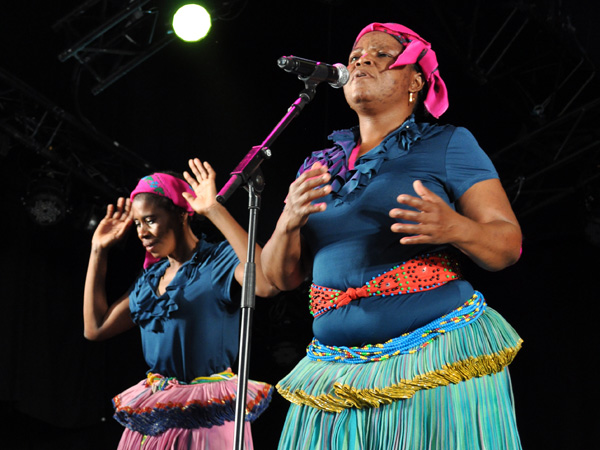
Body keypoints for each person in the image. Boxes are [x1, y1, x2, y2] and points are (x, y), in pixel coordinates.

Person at [261, 22, 524, 449]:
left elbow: (507, 246)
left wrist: (456, 227)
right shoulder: (318, 164)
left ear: (416, 81)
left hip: (432, 359)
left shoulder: (448, 143)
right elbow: (278, 279)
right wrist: (287, 222)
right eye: (355, 56)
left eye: (381, 55)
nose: (362, 60)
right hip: (335, 375)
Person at [83, 158, 279, 449]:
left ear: (181, 214)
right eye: (137, 223)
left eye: (150, 220)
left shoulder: (218, 261)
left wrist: (214, 210)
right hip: (156, 413)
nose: (142, 232)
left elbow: (265, 283)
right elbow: (95, 328)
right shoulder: (150, 280)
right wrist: (98, 251)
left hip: (207, 412)